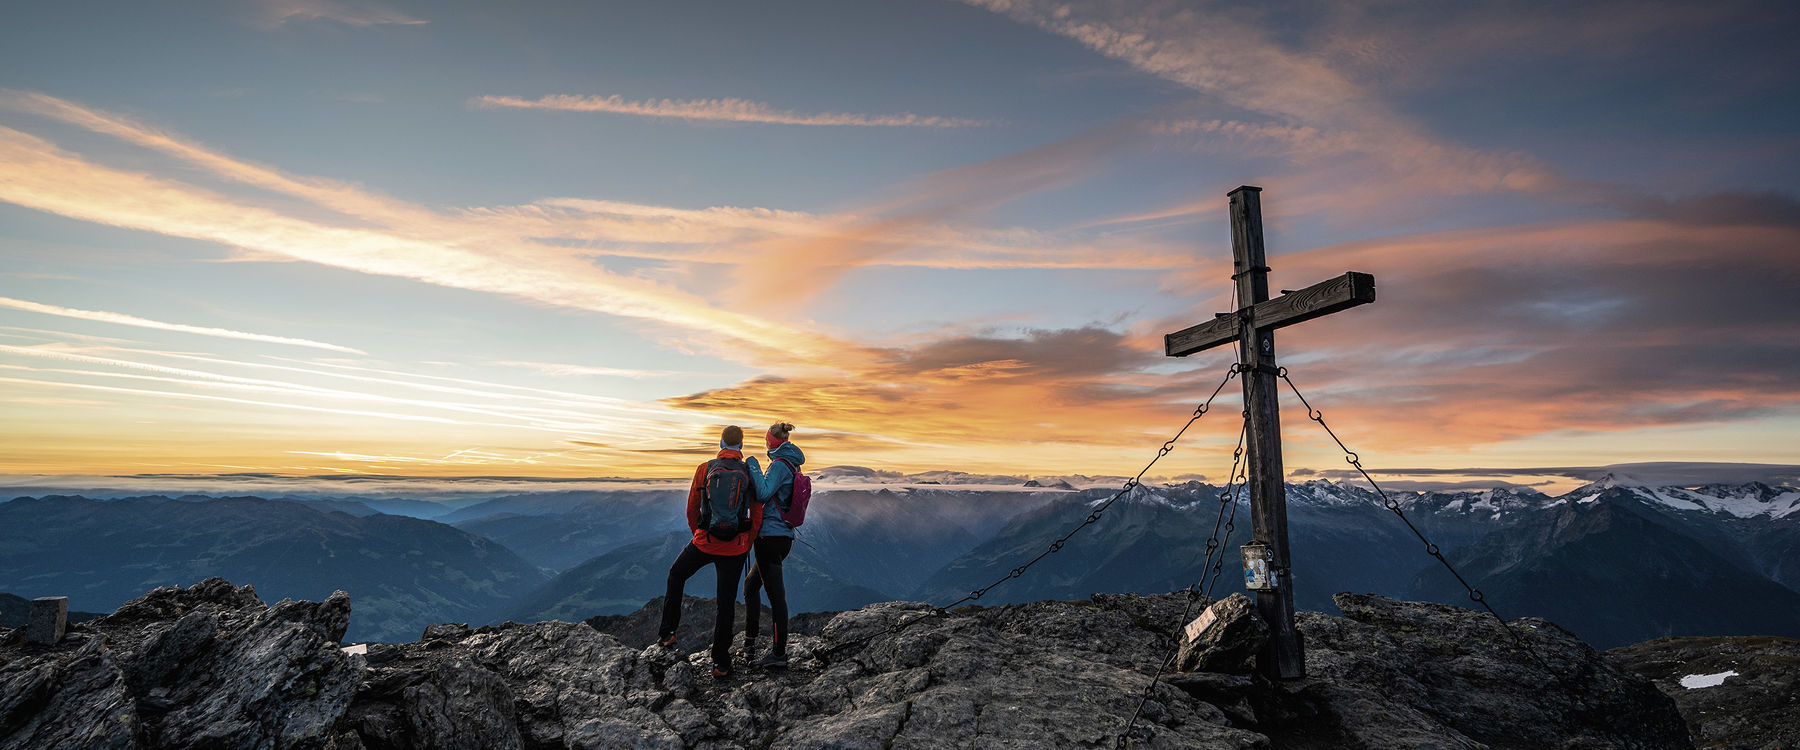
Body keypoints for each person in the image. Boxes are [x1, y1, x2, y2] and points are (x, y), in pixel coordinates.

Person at [657, 425, 762, 678]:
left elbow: (692, 509)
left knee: (676, 575)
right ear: (742, 445)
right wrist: (746, 543)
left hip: (704, 542)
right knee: (725, 604)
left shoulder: (705, 468)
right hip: (735, 548)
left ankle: (668, 633)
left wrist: (699, 535)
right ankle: (721, 663)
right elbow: (756, 514)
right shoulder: (748, 472)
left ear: (721, 442)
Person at [743, 422, 804, 669]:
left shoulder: (779, 465)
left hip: (770, 537)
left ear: (770, 442)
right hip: (782, 537)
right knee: (751, 585)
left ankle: (778, 654)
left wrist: (754, 466)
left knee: (776, 597)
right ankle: (750, 641)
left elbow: (764, 493)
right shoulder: (791, 462)